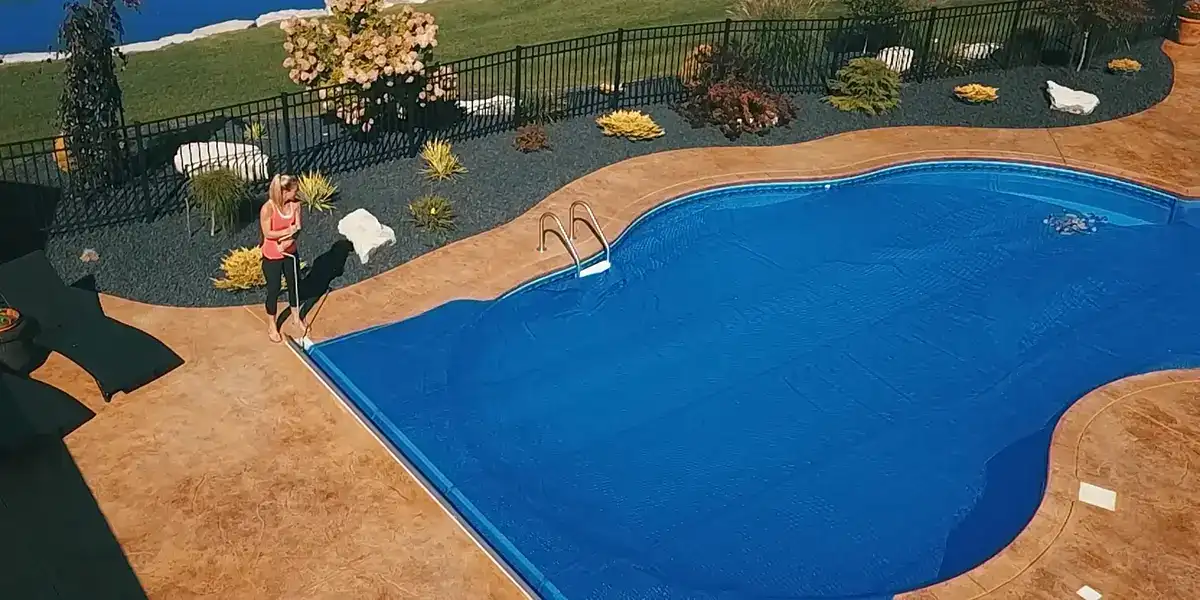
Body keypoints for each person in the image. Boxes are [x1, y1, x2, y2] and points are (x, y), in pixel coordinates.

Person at [260, 173, 304, 342]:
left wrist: (290, 240)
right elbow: (268, 233)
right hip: (272, 255)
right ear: (284, 192)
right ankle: (272, 324)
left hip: (290, 252)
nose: (297, 193)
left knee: (295, 285)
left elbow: (298, 228)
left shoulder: (296, 205)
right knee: (274, 289)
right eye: (294, 190)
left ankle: (295, 317)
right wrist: (287, 232)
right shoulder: (268, 208)